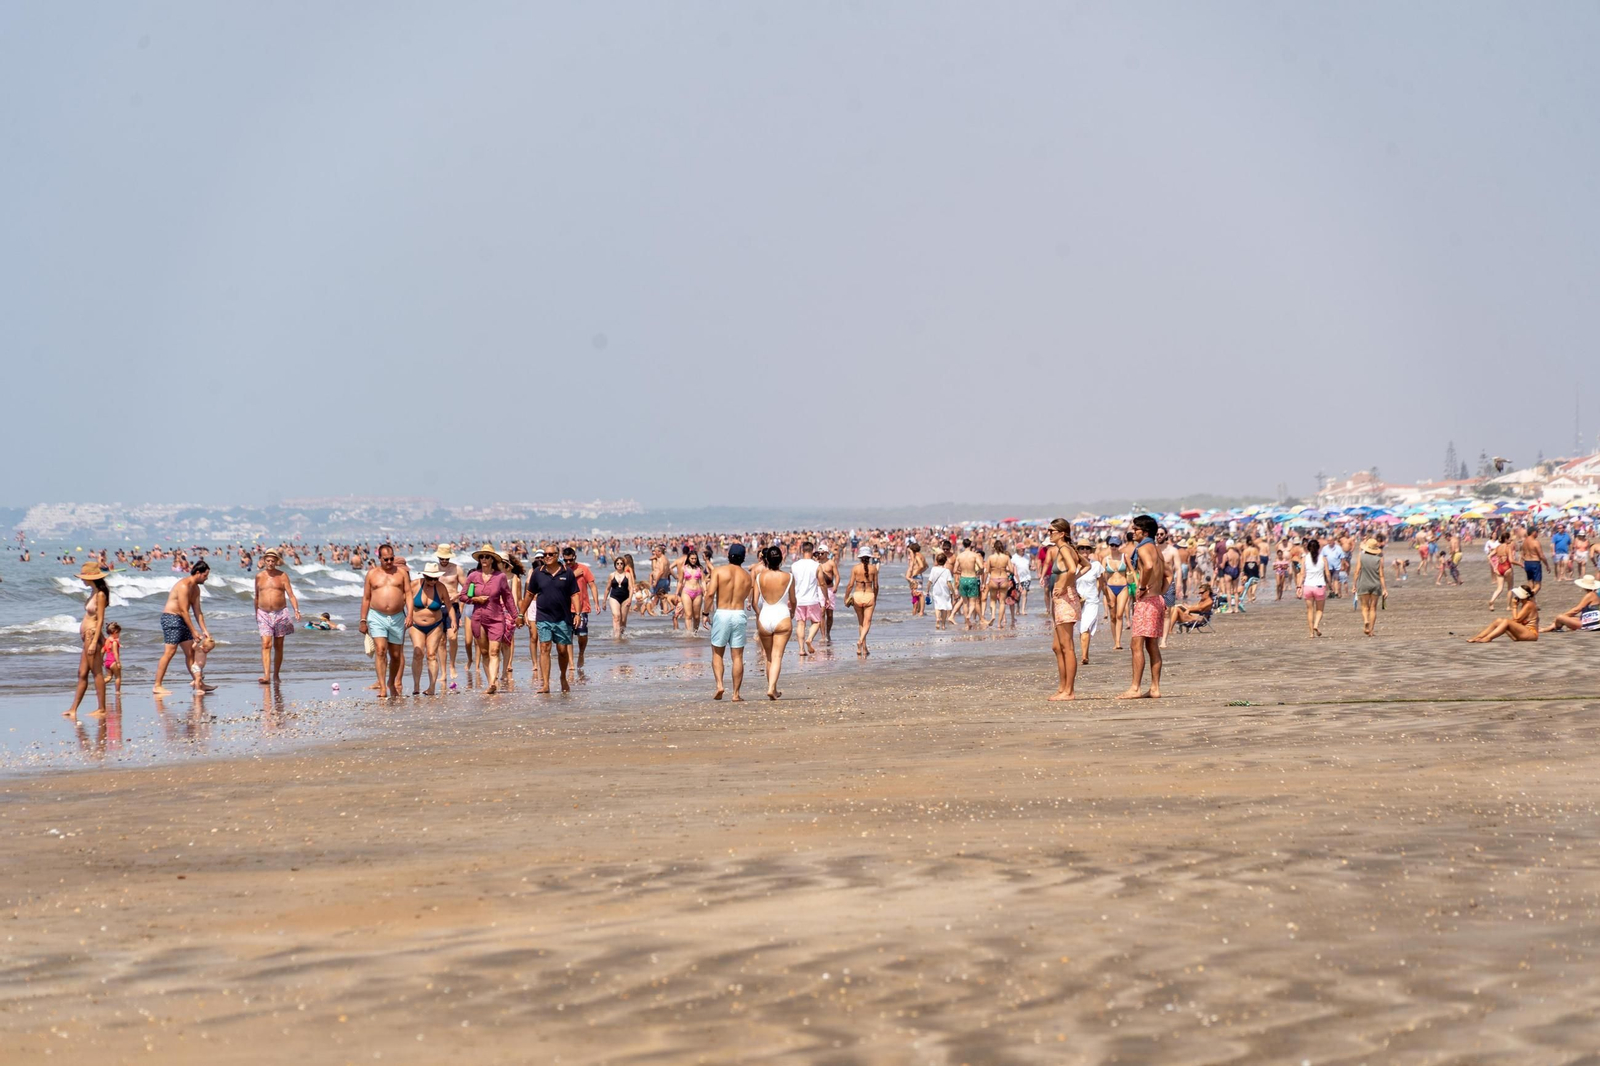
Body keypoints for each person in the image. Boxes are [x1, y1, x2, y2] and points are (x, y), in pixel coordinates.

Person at [522, 544, 582, 694]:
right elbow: (529, 594)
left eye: (550, 554)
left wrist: (578, 614)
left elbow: (574, 594)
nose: (547, 557)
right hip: (543, 617)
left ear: (557, 556)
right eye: (545, 555)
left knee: (562, 650)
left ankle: (562, 677)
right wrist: (520, 613)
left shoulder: (567, 573)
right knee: (544, 647)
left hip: (563, 618)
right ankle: (546, 684)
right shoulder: (538, 573)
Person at [1120, 515, 1167, 699]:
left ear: (1144, 532)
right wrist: (1160, 591)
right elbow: (1169, 574)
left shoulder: (1143, 549)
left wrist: (1141, 588)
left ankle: (1135, 688)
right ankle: (1155, 688)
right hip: (1156, 599)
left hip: (1147, 602)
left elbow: (1147, 567)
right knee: (1152, 645)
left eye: (1135, 529)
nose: (1132, 532)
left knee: (1136, 645)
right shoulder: (1156, 549)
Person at [358, 544, 411, 698]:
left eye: (391, 559)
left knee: (395, 655)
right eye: (386, 559)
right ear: (379, 558)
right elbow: (366, 598)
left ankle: (392, 682)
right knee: (380, 650)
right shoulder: (372, 574)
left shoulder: (401, 573)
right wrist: (363, 620)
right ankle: (382, 687)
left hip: (397, 617)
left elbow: (408, 594)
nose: (389, 562)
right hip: (376, 616)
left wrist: (410, 615)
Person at [153, 561, 214, 694]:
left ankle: (199, 683)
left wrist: (205, 630)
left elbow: (198, 611)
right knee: (170, 652)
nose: (207, 578)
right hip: (171, 618)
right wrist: (193, 631)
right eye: (205, 575)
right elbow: (183, 611)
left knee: (190, 652)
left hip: (182, 620)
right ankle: (157, 685)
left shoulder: (196, 589)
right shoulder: (183, 586)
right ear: (198, 573)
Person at [706, 543, 754, 701]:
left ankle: (720, 685)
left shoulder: (718, 571)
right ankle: (736, 694)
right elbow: (748, 596)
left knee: (717, 653)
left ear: (728, 556)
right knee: (738, 656)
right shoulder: (747, 577)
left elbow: (710, 593)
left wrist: (705, 613)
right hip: (738, 614)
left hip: (723, 613)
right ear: (743, 558)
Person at [65, 561, 112, 718]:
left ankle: (102, 708)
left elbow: (99, 620)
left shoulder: (100, 595)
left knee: (96, 672)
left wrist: (94, 641)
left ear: (91, 577)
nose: (81, 579)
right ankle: (73, 709)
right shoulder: (93, 592)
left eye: (83, 577)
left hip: (92, 636)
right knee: (82, 672)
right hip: (87, 636)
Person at [1044, 519, 1083, 701]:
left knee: (1067, 647)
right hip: (1061, 600)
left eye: (1051, 531)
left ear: (1062, 533)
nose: (1049, 533)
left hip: (1066, 600)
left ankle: (1069, 691)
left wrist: (1065, 585)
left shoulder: (1065, 549)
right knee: (1057, 646)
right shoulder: (1067, 549)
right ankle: (1062, 687)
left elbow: (1073, 568)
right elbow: (1086, 566)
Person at [753, 545, 796, 700]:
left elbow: (754, 602)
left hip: (765, 617)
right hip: (781, 615)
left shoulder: (759, 577)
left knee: (769, 657)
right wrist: (792, 612)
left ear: (766, 559)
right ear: (781, 559)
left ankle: (773, 689)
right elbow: (793, 600)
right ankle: (772, 688)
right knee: (777, 656)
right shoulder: (788, 577)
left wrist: (760, 615)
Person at [253, 547, 301, 685]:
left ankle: (276, 675)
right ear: (264, 561)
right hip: (263, 613)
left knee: (278, 645)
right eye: (267, 560)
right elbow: (256, 596)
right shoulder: (259, 577)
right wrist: (256, 613)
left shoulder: (282, 576)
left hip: (281, 612)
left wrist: (296, 610)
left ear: (276, 561)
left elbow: (291, 595)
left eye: (272, 561)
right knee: (266, 644)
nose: (270, 563)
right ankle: (266, 675)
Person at [407, 562, 452, 695]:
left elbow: (449, 605)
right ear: (424, 576)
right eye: (429, 578)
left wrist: (454, 621)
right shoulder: (414, 585)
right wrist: (405, 617)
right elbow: (404, 601)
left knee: (431, 654)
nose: (432, 581)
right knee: (418, 653)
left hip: (435, 625)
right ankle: (416, 686)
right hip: (416, 625)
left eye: (435, 578)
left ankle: (432, 687)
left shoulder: (441, 587)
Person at [433, 544, 466, 687]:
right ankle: (443, 672)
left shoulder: (456, 569)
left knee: (452, 637)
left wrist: (457, 595)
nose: (444, 561)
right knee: (441, 641)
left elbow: (467, 587)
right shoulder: (434, 569)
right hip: (438, 607)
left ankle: (452, 665)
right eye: (442, 558)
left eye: (446, 558)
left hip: (453, 606)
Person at [1467, 585, 1539, 642]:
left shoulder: (1529, 605)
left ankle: (1488, 638)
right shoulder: (1524, 604)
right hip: (1522, 632)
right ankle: (1478, 637)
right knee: (1499, 620)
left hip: (1531, 633)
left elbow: (1516, 619)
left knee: (1506, 621)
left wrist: (1514, 606)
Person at [789, 541, 824, 656]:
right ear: (812, 551)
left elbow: (791, 584)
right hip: (812, 599)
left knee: (800, 624)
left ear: (802, 550)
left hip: (798, 599)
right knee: (817, 622)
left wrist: (790, 599)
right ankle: (809, 639)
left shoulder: (794, 566)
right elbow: (822, 583)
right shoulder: (816, 565)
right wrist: (826, 597)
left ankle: (801, 649)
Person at [1073, 542, 1106, 665]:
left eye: (1087, 548)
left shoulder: (1096, 565)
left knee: (1085, 627)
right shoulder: (1074, 566)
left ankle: (1084, 656)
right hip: (1076, 600)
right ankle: (1084, 652)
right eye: (1081, 548)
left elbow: (1100, 581)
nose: (1084, 550)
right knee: (1079, 628)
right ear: (1078, 550)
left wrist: (1098, 594)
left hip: (1091, 601)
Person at [1352, 536, 1388, 637]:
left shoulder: (1361, 557)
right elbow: (1381, 575)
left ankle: (1366, 621)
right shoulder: (1379, 559)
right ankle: (1371, 631)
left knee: (1364, 606)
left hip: (1364, 583)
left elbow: (1357, 571)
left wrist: (1354, 585)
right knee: (1373, 608)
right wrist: (1385, 589)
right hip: (1375, 584)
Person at [846, 548, 879, 655]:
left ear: (860, 557)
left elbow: (850, 585)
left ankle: (862, 649)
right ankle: (860, 641)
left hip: (857, 595)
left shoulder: (855, 568)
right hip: (869, 595)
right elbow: (876, 585)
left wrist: (846, 597)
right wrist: (875, 597)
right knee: (867, 622)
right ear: (869, 557)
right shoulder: (874, 569)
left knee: (861, 623)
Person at [1160, 583, 1215, 648]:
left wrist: (1189, 609)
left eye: (1202, 593)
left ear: (1207, 592)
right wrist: (1187, 607)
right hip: (1194, 616)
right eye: (1199, 593)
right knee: (1175, 608)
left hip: (1200, 619)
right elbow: (1196, 606)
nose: (1200, 594)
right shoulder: (1203, 600)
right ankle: (1166, 628)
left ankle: (1169, 630)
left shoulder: (1209, 601)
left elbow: (1200, 608)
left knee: (1177, 609)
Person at [1297, 537, 1330, 638]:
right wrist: (1331, 585)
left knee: (1309, 610)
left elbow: (1302, 574)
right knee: (1319, 610)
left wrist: (1299, 587)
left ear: (1308, 548)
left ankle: (1311, 633)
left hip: (1308, 587)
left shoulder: (1304, 559)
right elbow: (1327, 573)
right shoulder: (1323, 559)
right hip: (1319, 586)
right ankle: (1316, 625)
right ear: (1318, 548)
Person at [1102, 536, 1131, 650]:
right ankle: (1115, 641)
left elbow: (1132, 571)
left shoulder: (1124, 557)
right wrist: (1102, 589)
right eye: (1112, 545)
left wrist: (1137, 585)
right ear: (1109, 545)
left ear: (1119, 546)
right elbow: (1103, 577)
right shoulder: (1105, 559)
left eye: (1116, 545)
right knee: (1113, 616)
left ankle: (1118, 642)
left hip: (1123, 587)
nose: (1114, 547)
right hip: (1110, 587)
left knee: (1119, 614)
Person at [675, 547, 709, 633]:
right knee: (688, 615)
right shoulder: (683, 568)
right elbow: (679, 582)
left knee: (697, 616)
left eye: (695, 559)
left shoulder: (700, 568)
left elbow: (703, 581)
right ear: (688, 559)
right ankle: (689, 634)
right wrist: (676, 593)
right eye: (692, 558)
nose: (693, 560)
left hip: (698, 593)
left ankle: (695, 633)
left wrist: (705, 591)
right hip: (686, 592)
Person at [952, 539, 983, 629]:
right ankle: (969, 615)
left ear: (963, 545)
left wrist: (961, 571)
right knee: (973, 602)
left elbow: (954, 570)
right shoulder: (974, 555)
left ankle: (967, 623)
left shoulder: (959, 556)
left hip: (963, 578)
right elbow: (981, 566)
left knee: (965, 603)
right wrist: (979, 572)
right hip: (972, 578)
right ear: (970, 545)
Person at [816, 544, 839, 643]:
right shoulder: (816, 563)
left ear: (826, 553)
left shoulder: (831, 563)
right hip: (819, 589)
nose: (820, 555)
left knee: (830, 614)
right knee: (822, 612)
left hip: (830, 589)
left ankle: (828, 633)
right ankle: (823, 635)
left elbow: (837, 576)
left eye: (822, 553)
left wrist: (835, 586)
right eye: (819, 553)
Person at [927, 552, 955, 629]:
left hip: (936, 590)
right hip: (945, 591)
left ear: (936, 561)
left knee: (937, 605)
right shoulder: (947, 571)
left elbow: (930, 581)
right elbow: (949, 583)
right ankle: (943, 625)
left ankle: (937, 619)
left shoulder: (933, 569)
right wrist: (953, 592)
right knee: (944, 607)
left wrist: (927, 590)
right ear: (945, 561)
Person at [605, 557, 632, 638]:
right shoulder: (611, 575)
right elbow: (607, 589)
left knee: (623, 620)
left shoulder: (628, 575)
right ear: (615, 565)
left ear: (623, 565)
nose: (619, 565)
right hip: (614, 597)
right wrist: (604, 601)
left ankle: (622, 635)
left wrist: (630, 598)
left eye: (621, 563)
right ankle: (617, 636)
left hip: (625, 598)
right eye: (618, 563)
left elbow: (631, 588)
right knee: (616, 616)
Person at [1010, 542, 1033, 616]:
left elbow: (1029, 566)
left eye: (1024, 549)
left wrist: (1032, 568)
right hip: (1017, 578)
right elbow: (1012, 569)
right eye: (1022, 549)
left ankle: (1023, 610)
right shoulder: (1014, 558)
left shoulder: (1027, 556)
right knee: (1018, 595)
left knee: (1024, 593)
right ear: (1018, 549)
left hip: (1027, 577)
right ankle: (1018, 607)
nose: (1023, 550)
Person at [906, 540, 928, 617]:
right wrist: (920, 572)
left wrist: (916, 572)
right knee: (916, 594)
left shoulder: (917, 556)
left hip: (916, 576)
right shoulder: (922, 555)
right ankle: (919, 611)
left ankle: (921, 611)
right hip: (919, 576)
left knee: (919, 594)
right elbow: (926, 566)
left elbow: (922, 566)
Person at [1521, 526, 1546, 593]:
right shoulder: (1535, 542)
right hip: (1535, 563)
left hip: (1527, 563)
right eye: (1537, 532)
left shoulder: (1524, 542)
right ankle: (1529, 597)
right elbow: (1541, 556)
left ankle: (1531, 600)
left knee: (1530, 582)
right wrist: (1547, 565)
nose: (1537, 534)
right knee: (1538, 585)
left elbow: (1522, 555)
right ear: (1534, 532)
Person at [102, 621, 123, 696]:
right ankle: (117, 691)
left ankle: (100, 685)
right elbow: (115, 653)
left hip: (107, 662)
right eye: (118, 633)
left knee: (108, 677)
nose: (119, 635)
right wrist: (118, 662)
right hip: (113, 661)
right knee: (118, 677)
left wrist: (101, 660)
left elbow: (102, 651)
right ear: (115, 632)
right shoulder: (114, 642)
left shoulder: (107, 641)